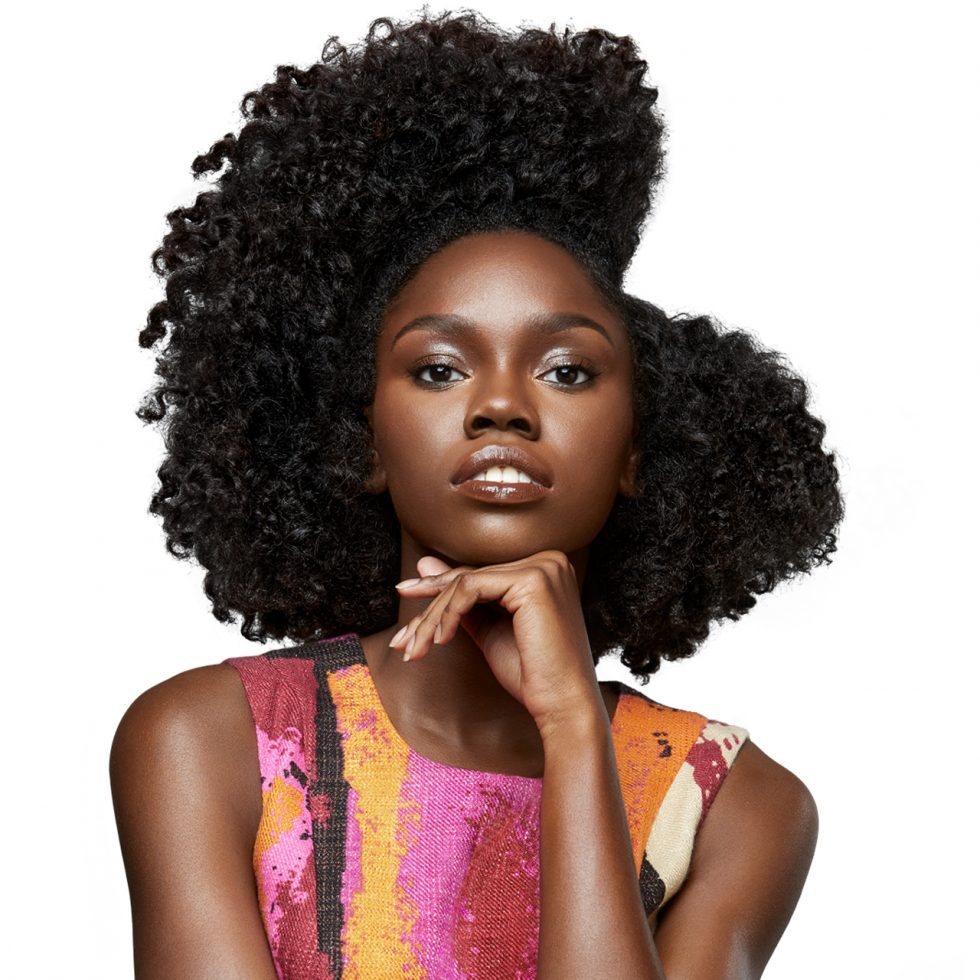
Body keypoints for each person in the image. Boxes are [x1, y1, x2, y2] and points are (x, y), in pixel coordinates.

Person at [110, 9, 843, 979]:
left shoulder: (731, 803)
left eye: (567, 371)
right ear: (364, 441)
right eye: (440, 368)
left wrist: (573, 730)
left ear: (638, 447)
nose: (501, 405)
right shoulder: (210, 742)